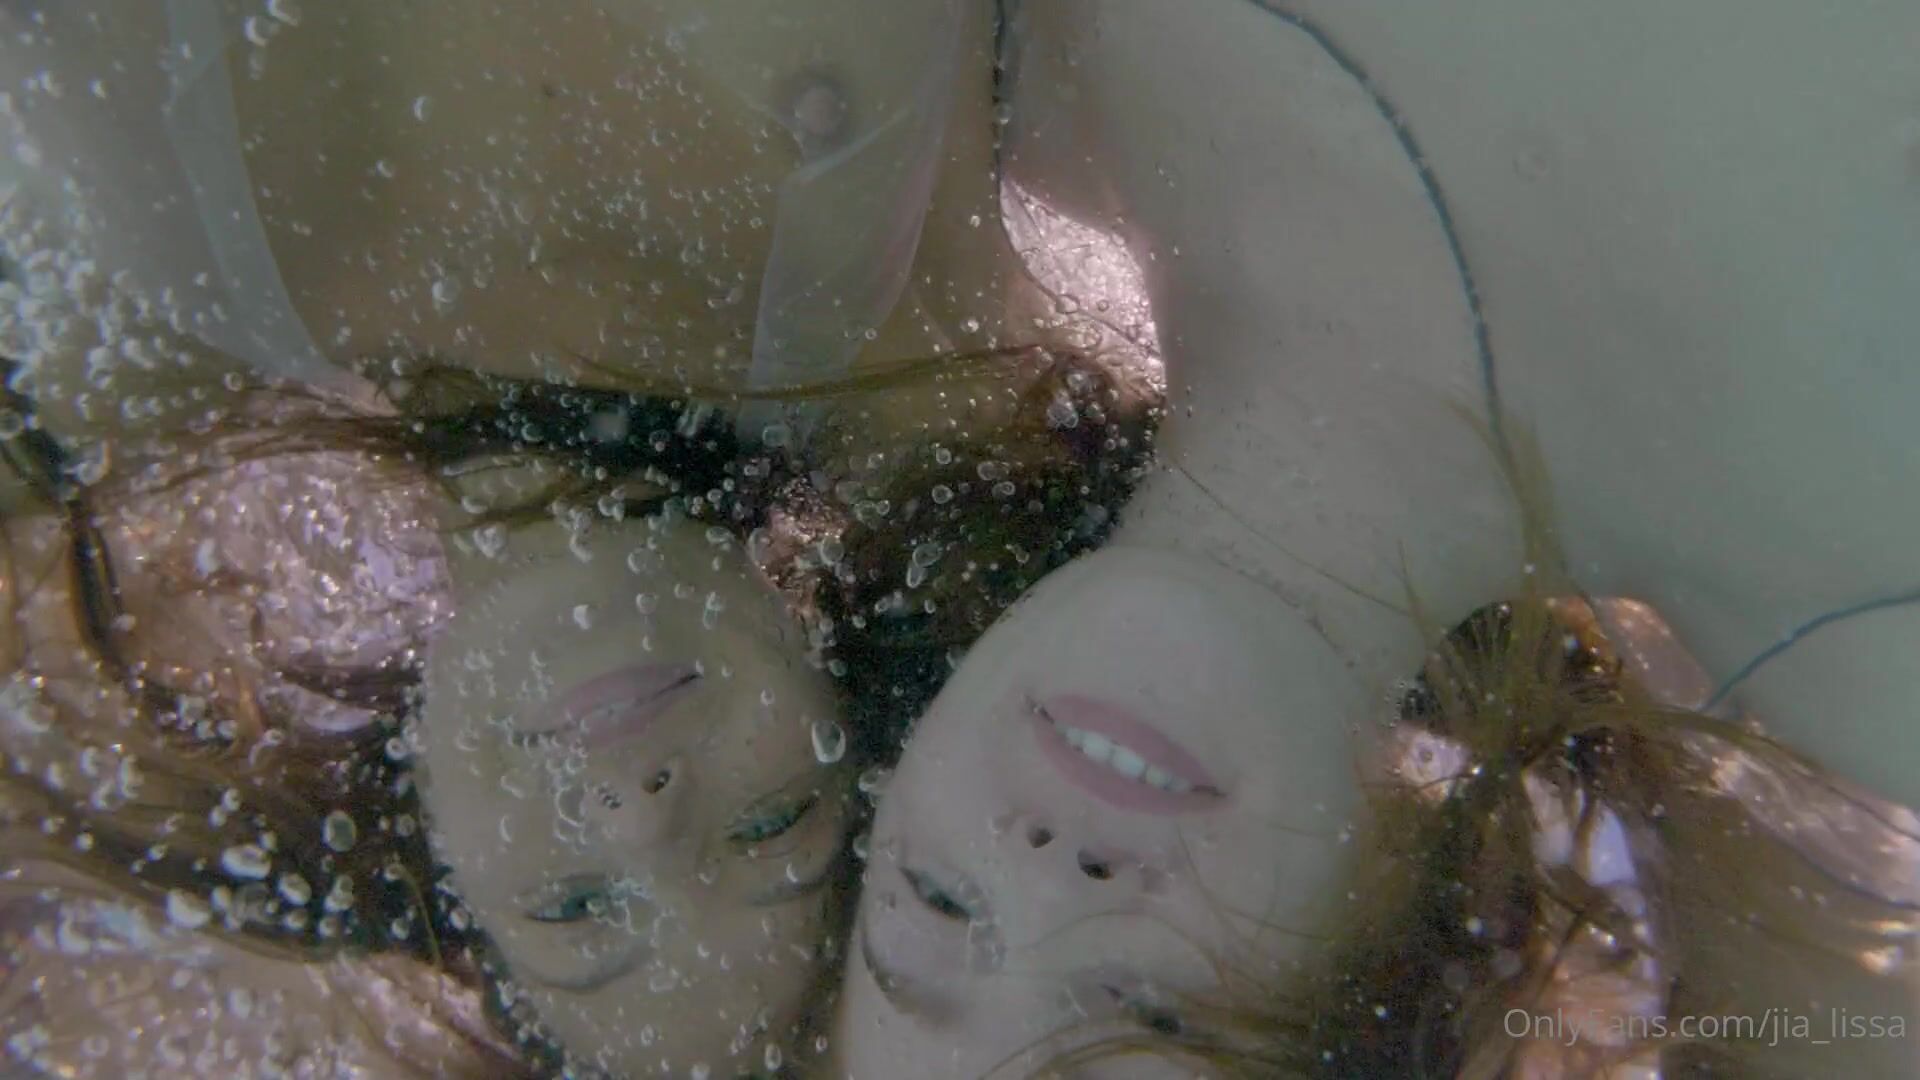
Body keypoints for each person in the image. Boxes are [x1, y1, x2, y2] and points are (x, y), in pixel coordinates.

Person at [830, 4, 1920, 1077]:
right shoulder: (1863, 622)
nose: (1051, 872)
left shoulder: (1001, 73)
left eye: (938, 901)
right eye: (1146, 1011)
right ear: (1379, 996)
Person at [0, 348, 1158, 1077]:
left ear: (425, 824)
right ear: (847, 692)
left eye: (573, 907)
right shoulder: (854, 303)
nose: (641, 818)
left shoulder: (130, 372)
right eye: (769, 830)